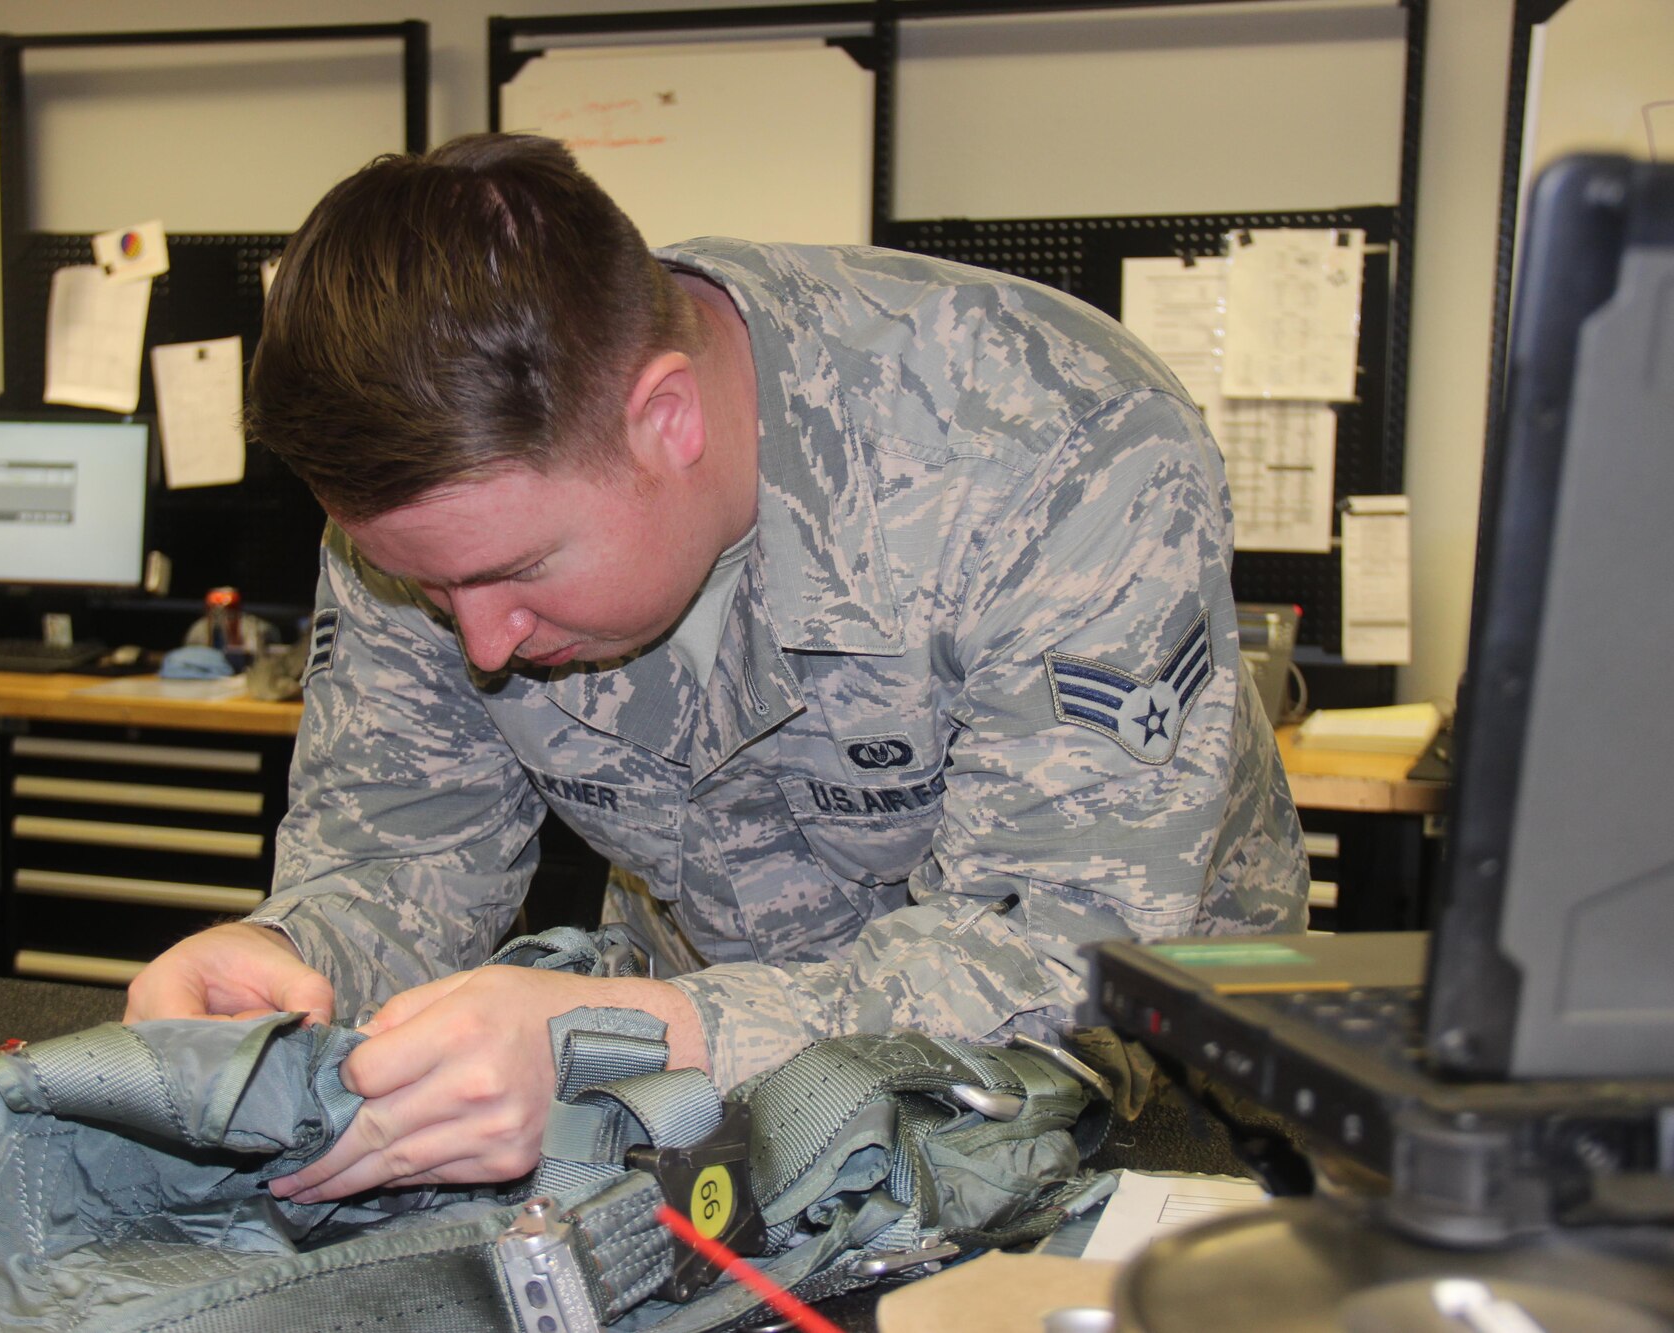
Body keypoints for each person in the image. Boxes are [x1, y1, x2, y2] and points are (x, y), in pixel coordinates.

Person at [124, 133, 1309, 1205]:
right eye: (429, 590)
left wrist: (624, 1034)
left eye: (518, 573)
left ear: (668, 419)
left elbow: (1058, 954)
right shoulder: (439, 493)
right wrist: (290, 956)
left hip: (1150, 1111)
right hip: (710, 1105)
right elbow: (403, 846)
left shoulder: (1057, 448)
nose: (479, 642)